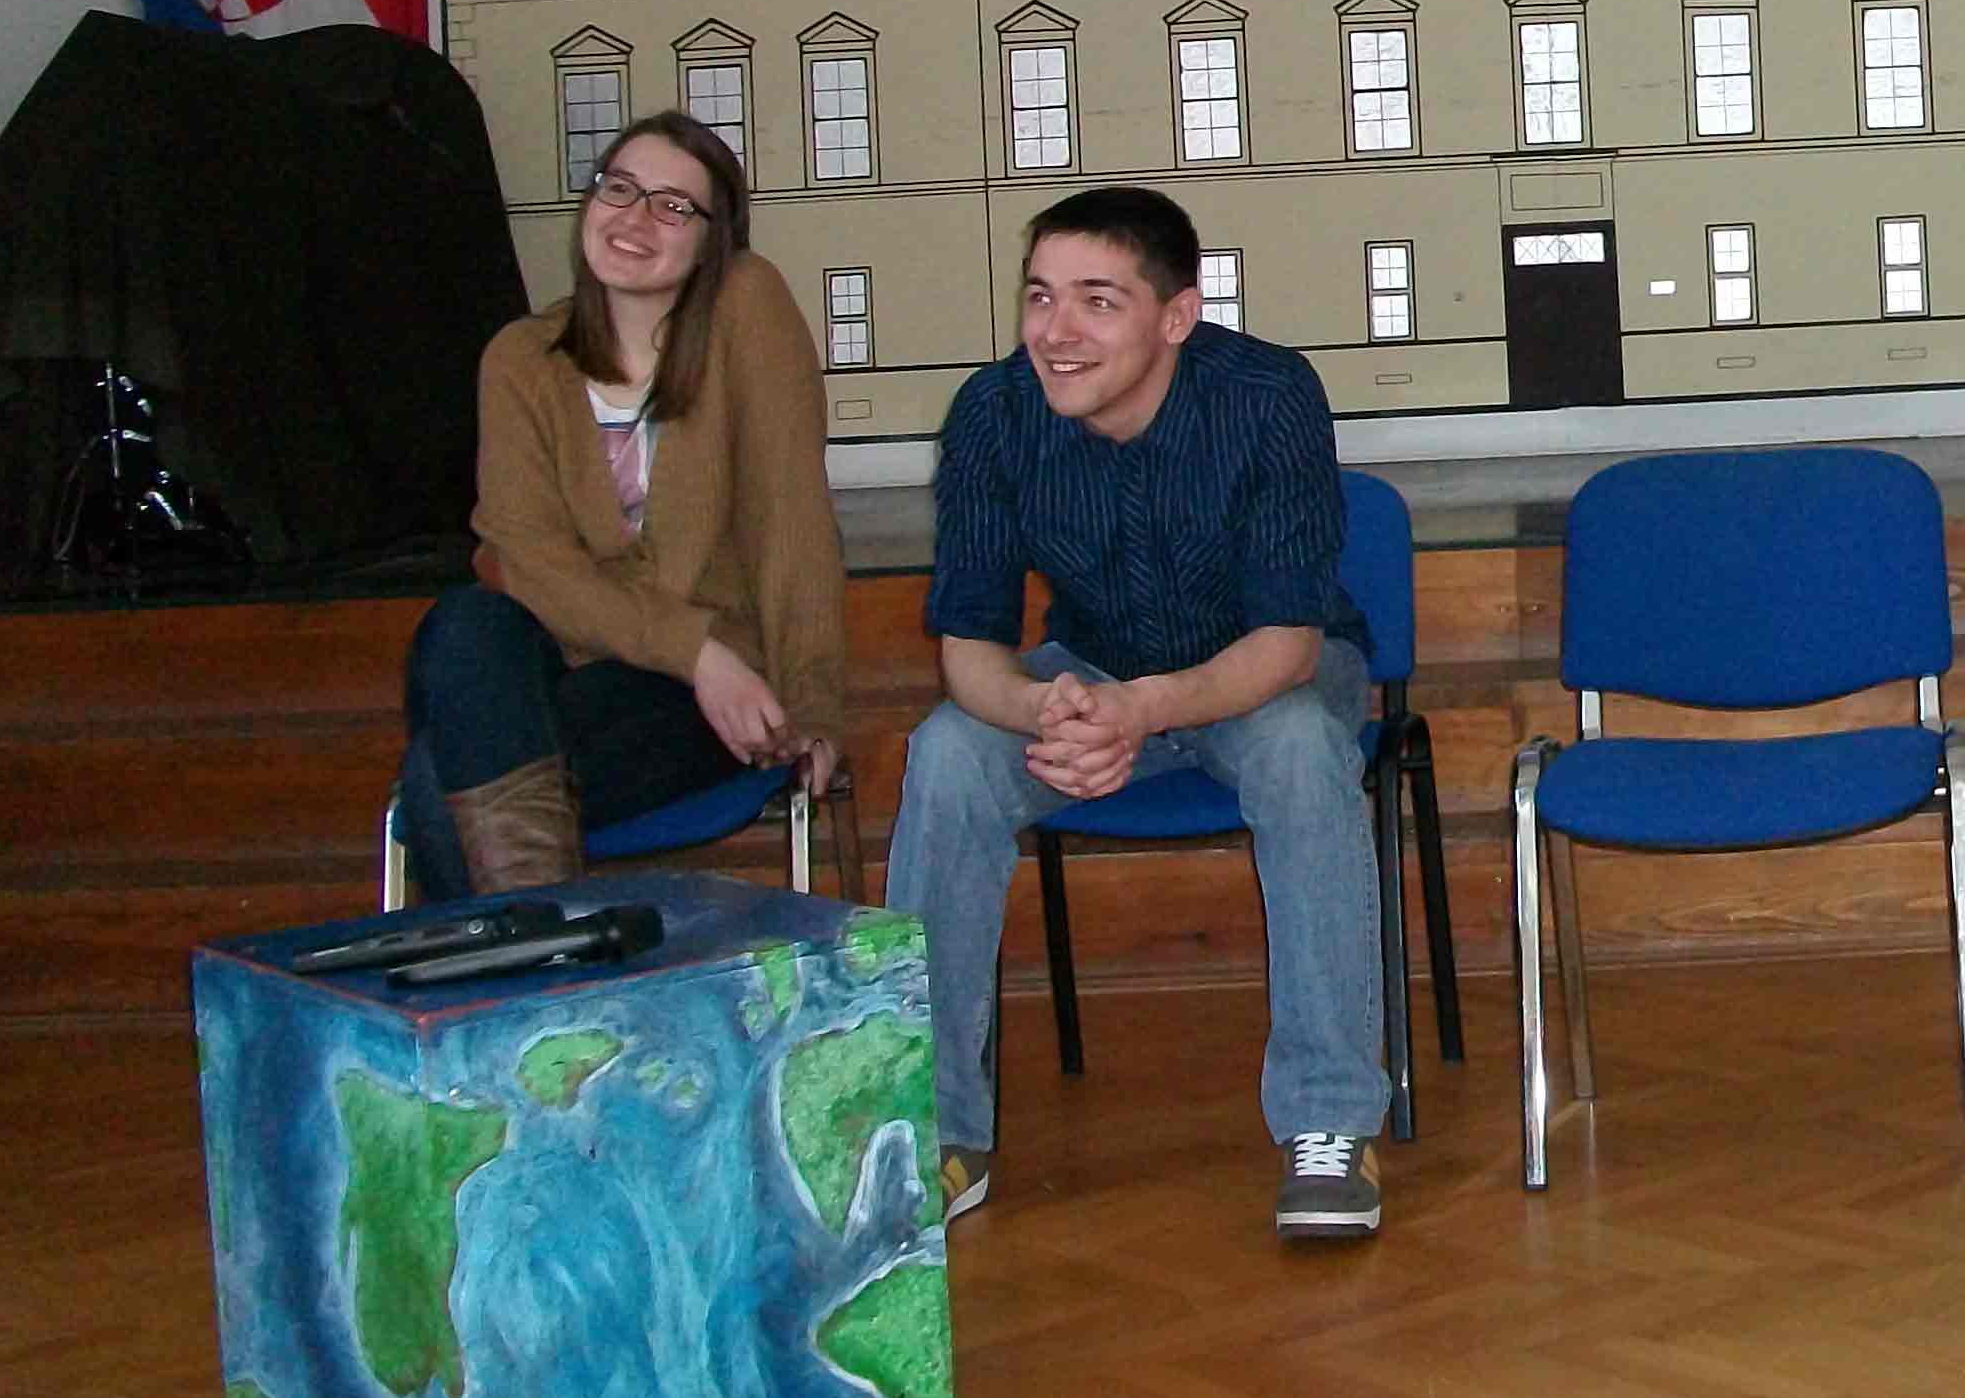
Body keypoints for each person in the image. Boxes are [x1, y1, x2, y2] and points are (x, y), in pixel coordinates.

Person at [884, 186, 1390, 1242]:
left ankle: (1330, 1122)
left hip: (1264, 673)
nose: (1056, 332)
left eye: (1097, 302)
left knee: (1301, 750)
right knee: (948, 754)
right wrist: (1042, 707)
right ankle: (934, 1133)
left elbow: (1289, 643)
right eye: (1039, 297)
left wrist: (1142, 710)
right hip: (1092, 668)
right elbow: (967, 647)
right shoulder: (992, 413)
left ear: (1175, 317)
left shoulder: (1269, 395)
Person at [395, 110, 845, 899]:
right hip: (582, 664)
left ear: (712, 240)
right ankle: (544, 950)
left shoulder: (746, 307)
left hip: (702, 701)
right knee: (467, 622)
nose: (635, 218)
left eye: (673, 206)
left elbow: (792, 525)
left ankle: (525, 960)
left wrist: (809, 707)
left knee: (439, 779)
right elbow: (531, 565)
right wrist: (694, 651)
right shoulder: (522, 359)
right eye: (620, 189)